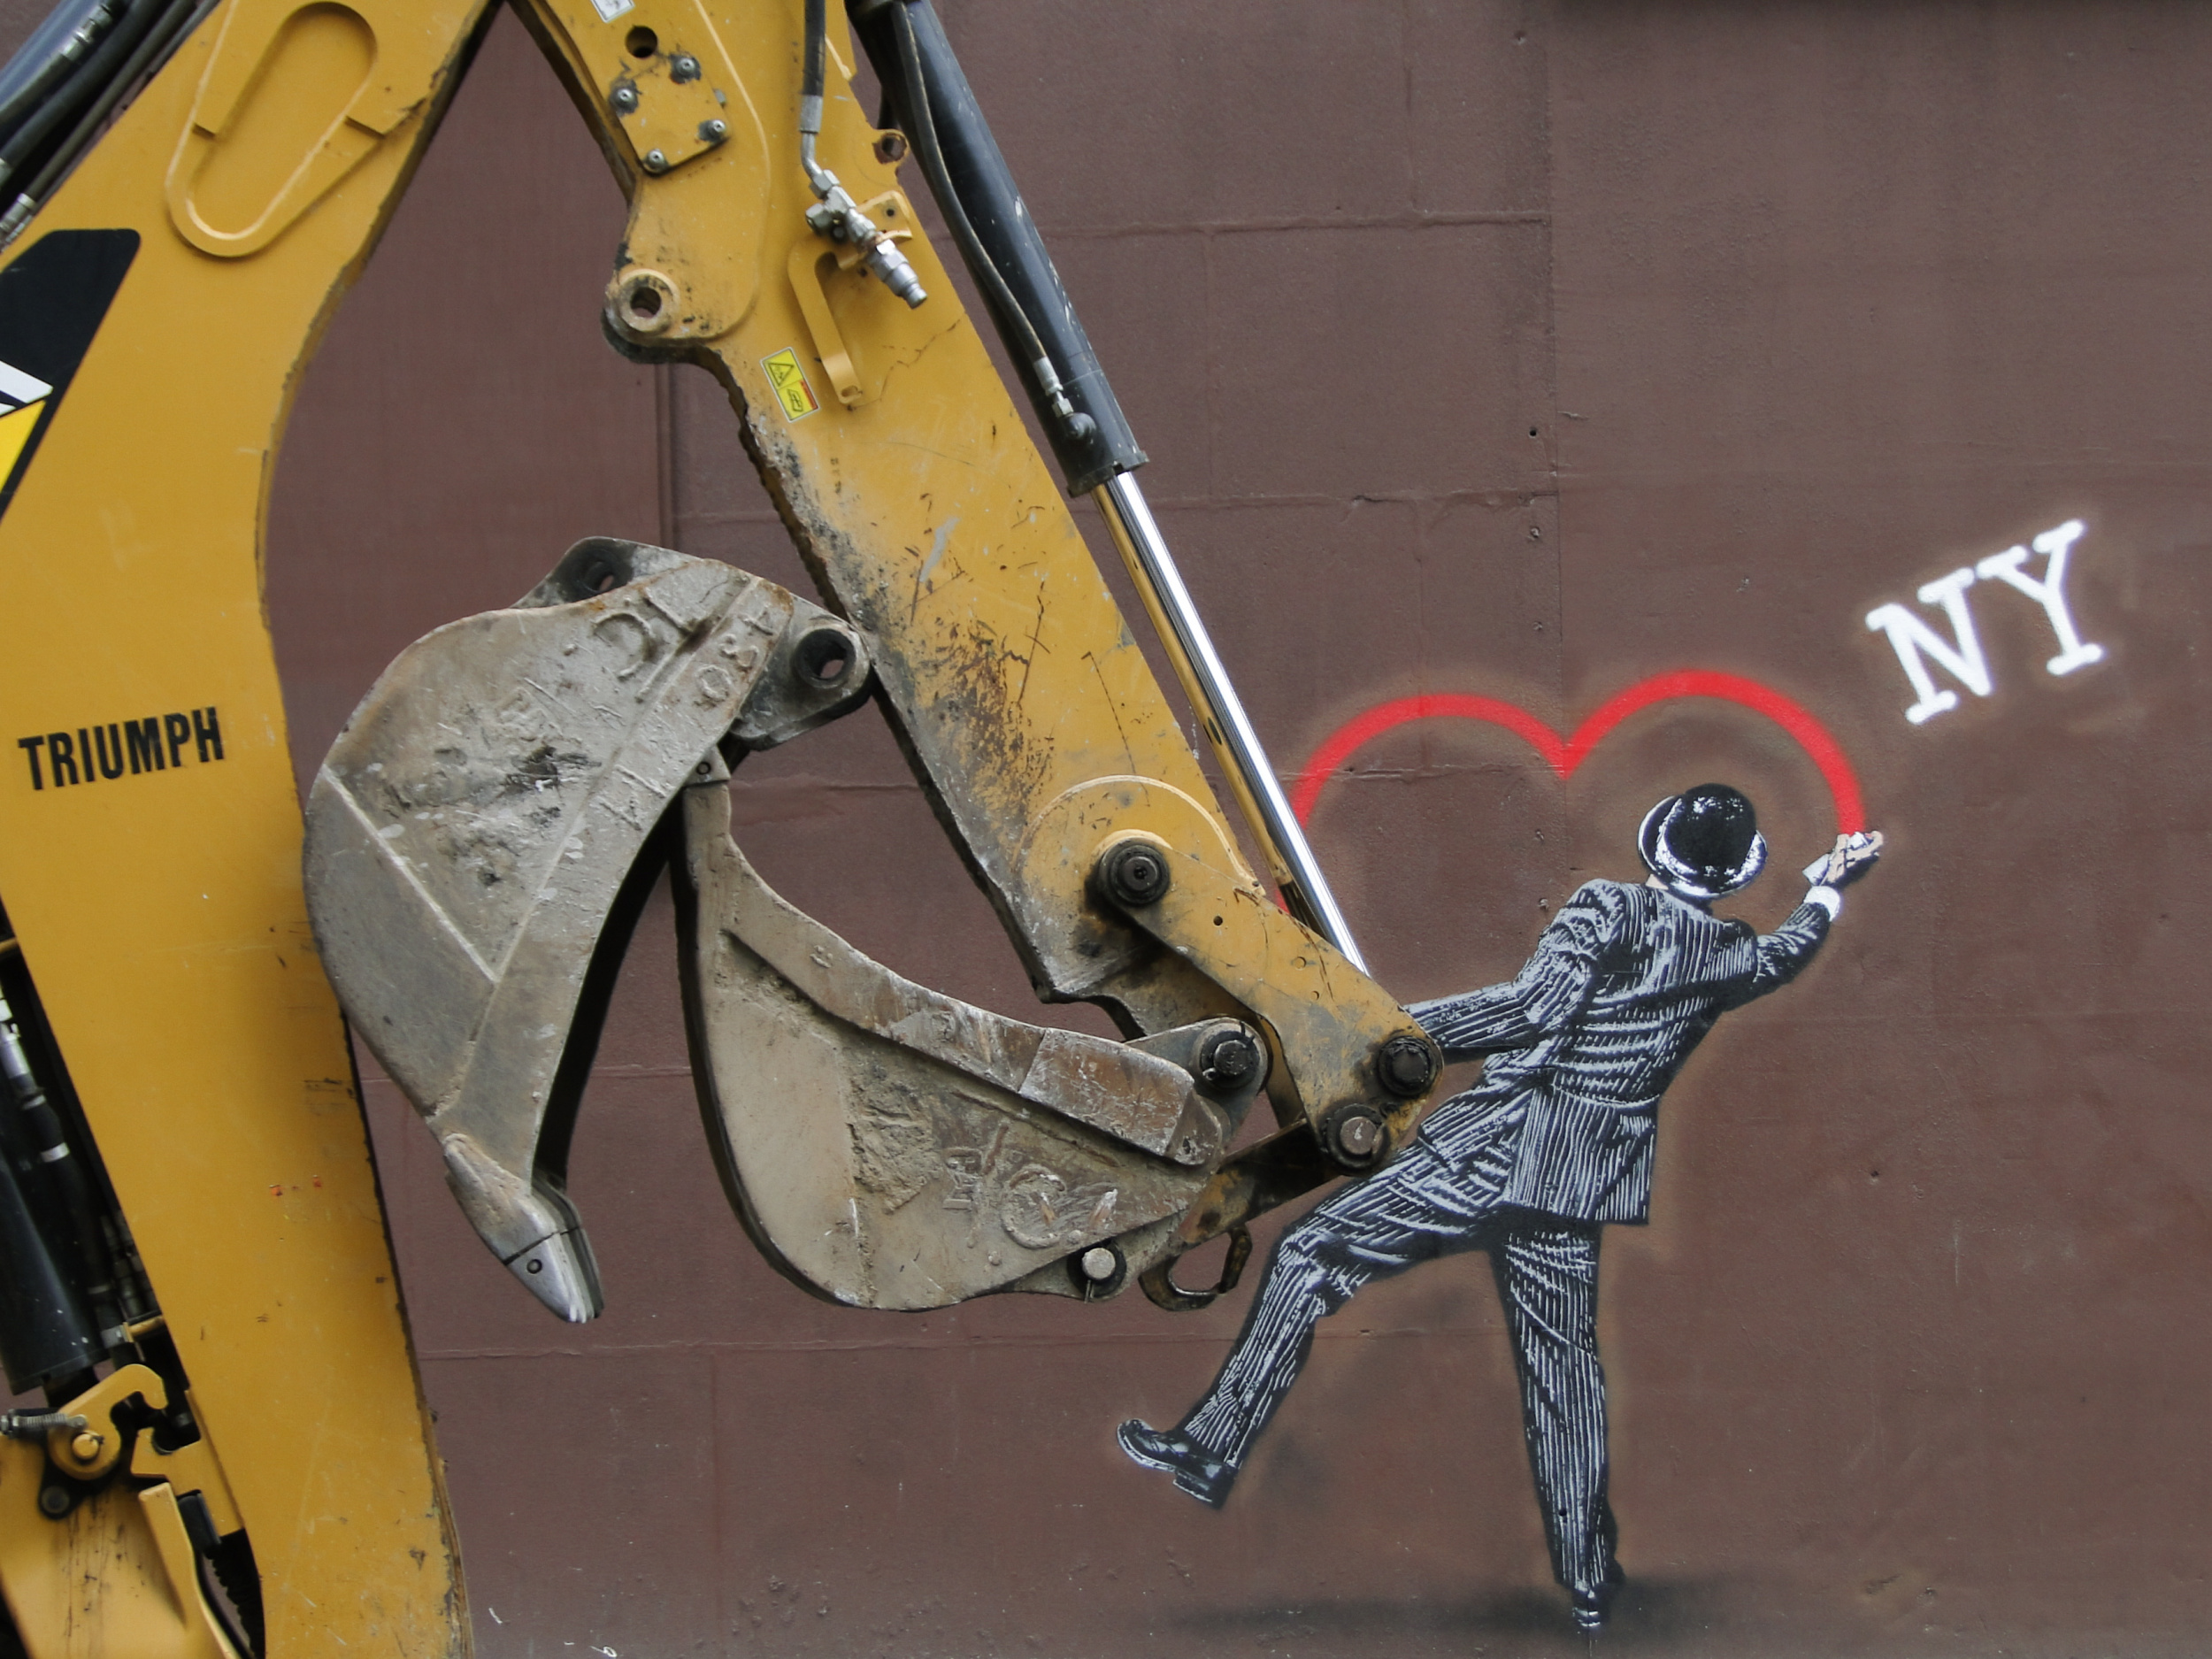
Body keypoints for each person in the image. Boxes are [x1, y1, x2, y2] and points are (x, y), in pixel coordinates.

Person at [1117, 784, 1883, 1633]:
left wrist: (1390, 1030)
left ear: (1657, 843)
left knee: (1311, 1254)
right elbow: (1786, 953)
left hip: (1496, 1150)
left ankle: (1212, 1448)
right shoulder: (1730, 951)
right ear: (1732, 874)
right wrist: (1827, 888)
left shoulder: (1608, 909)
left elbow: (1529, 1010)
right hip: (1578, 1178)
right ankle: (1589, 1579)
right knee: (1565, 1375)